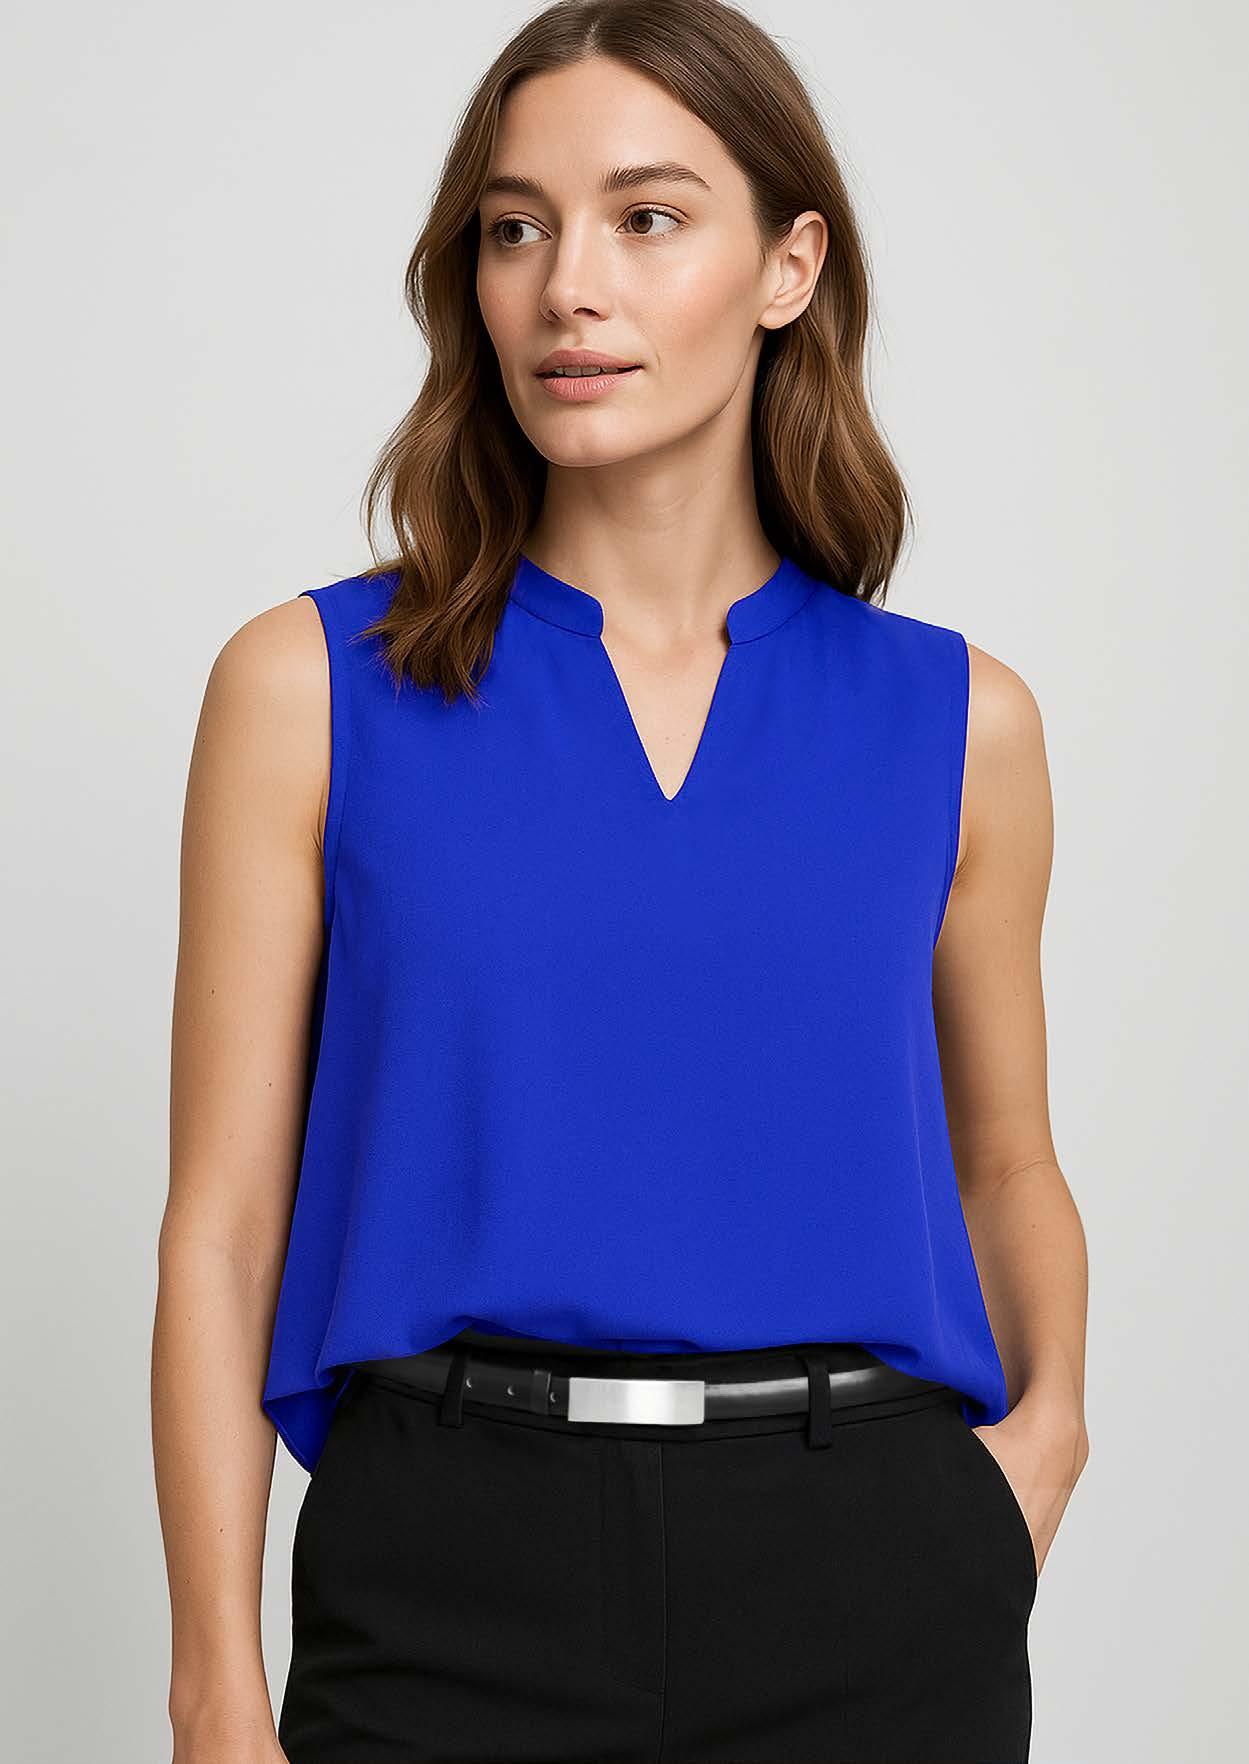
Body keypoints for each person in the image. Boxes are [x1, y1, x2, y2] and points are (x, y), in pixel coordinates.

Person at [152, 3, 1091, 1760]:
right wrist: (214, 1685)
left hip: (871, 1573)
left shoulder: (959, 722)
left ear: (788, 267)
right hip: (446, 1573)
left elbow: (1006, 1161)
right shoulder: (308, 689)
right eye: (515, 227)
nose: (566, 286)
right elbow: (223, 1220)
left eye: (646, 217)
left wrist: (1038, 1453)